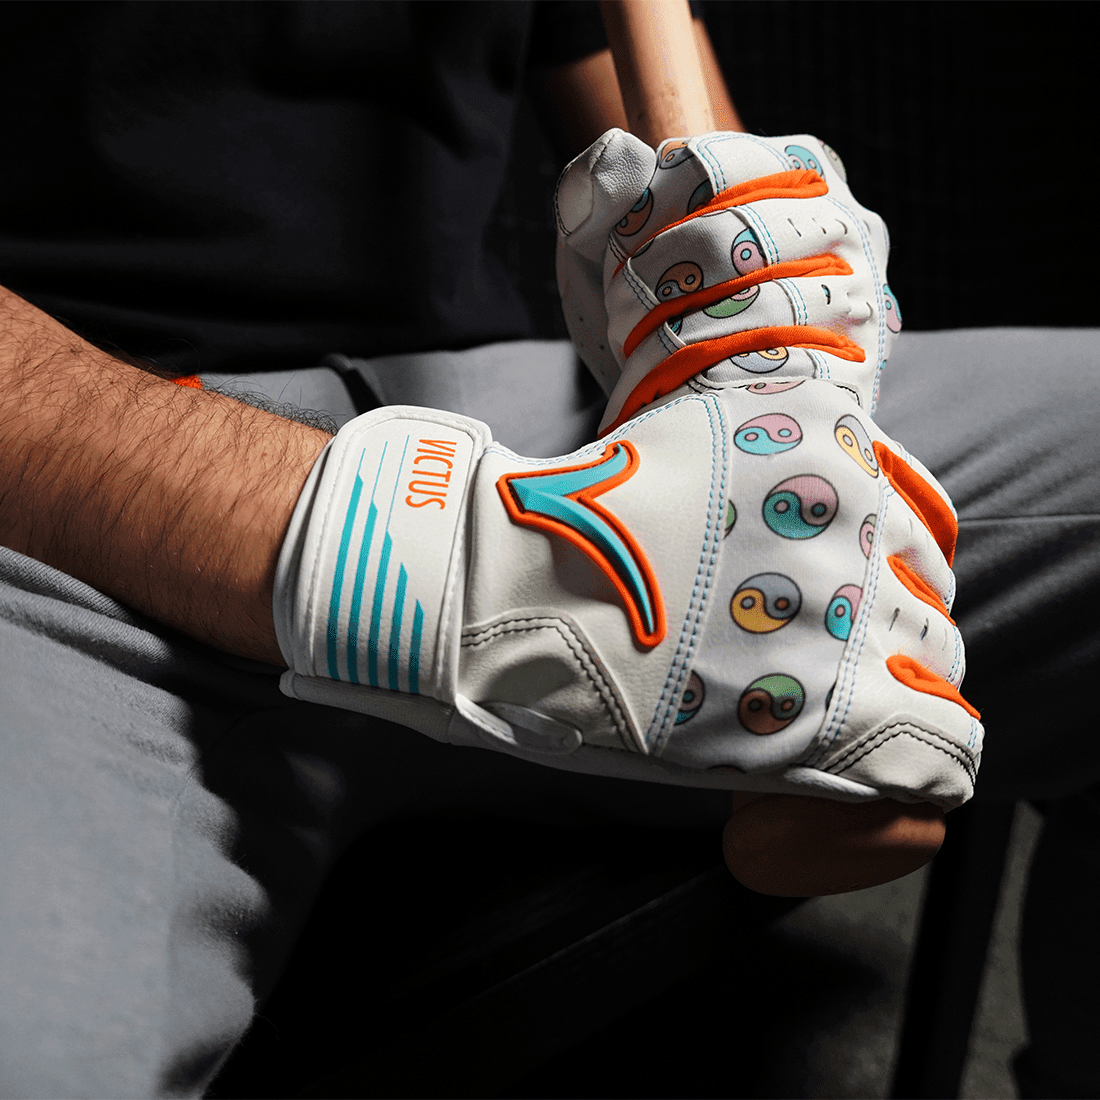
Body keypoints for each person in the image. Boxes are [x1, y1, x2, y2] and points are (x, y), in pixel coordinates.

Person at [0, 3, 1095, 1098]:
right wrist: (462, 554)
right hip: (61, 514)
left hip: (521, 433)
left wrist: (767, 344)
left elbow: (685, 181)